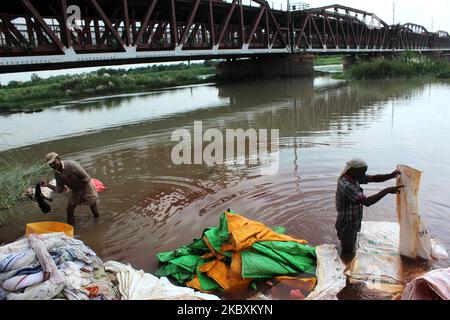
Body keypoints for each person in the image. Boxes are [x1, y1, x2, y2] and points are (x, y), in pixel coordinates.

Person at [335, 159, 403, 255]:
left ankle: (345, 240)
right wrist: (386, 191)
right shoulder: (346, 185)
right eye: (362, 172)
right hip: (347, 223)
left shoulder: (354, 177)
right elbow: (367, 202)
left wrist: (391, 175)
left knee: (351, 245)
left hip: (354, 220)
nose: (364, 175)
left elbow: (374, 178)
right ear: (352, 171)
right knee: (348, 251)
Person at [41, 152, 99, 226]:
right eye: (50, 164)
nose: (52, 165)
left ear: (58, 159)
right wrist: (47, 185)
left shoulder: (72, 165)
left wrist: (81, 192)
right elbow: (60, 189)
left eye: (53, 162)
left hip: (86, 187)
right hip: (75, 190)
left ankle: (97, 224)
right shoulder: (57, 174)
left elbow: (87, 178)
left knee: (93, 208)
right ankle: (71, 229)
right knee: (69, 209)